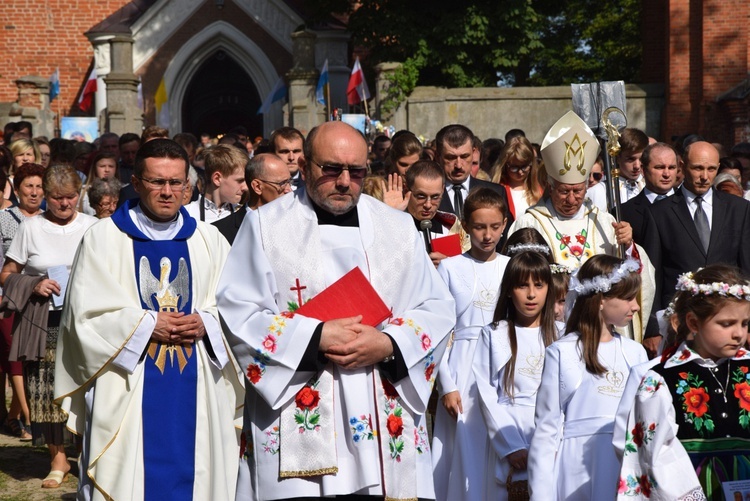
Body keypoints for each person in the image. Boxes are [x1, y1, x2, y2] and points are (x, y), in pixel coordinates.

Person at [217, 121, 455, 501]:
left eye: (356, 171)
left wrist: (389, 343)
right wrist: (315, 338)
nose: (344, 181)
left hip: (380, 402)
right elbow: (237, 309)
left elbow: (438, 308)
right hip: (300, 401)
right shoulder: (265, 225)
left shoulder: (397, 228)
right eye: (331, 169)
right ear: (306, 166)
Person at [54, 139, 244, 500]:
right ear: (137, 182)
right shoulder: (103, 239)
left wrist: (207, 322)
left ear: (188, 185)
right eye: (157, 182)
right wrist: (144, 325)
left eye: (176, 183)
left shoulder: (210, 240)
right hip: (128, 383)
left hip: (200, 379)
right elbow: (84, 315)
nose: (168, 192)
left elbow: (236, 305)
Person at [509, 111, 656, 342]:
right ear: (550, 185)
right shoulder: (530, 223)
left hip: (600, 327)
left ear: (587, 185)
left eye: (577, 191)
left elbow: (636, 272)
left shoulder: (605, 221)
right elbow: (516, 276)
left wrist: (627, 246)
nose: (571, 199)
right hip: (550, 327)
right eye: (563, 191)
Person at [617, 265, 750, 500]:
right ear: (694, 323)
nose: (738, 334)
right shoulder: (661, 378)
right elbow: (654, 453)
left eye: (745, 323)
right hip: (693, 485)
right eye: (727, 324)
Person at [0, 165, 97, 488]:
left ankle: (86, 452)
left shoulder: (94, 226)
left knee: (87, 385)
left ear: (79, 195)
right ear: (45, 197)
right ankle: (58, 459)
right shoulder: (31, 227)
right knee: (46, 388)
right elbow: (7, 272)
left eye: (70, 197)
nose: (64, 204)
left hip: (89, 320)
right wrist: (34, 284)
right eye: (57, 198)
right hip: (47, 321)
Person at [528, 254, 648, 500]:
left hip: (627, 465)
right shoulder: (562, 352)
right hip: (577, 468)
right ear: (601, 300)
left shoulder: (635, 352)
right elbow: (546, 429)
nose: (636, 306)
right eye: (627, 298)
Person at [432, 189, 510, 500]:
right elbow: (439, 330)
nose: (487, 235)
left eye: (494, 227)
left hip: (502, 362)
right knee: (463, 444)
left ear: (504, 225)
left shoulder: (510, 266)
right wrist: (446, 385)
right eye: (479, 227)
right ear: (465, 226)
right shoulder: (449, 267)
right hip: (462, 365)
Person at [464, 251, 561, 501]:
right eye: (522, 285)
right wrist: (511, 446)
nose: (531, 294)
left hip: (553, 438)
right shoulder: (495, 334)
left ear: (549, 289)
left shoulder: (562, 335)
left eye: (539, 285)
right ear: (508, 290)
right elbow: (485, 392)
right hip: (508, 433)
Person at [642, 141, 750, 312]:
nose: (705, 177)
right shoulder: (658, 213)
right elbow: (652, 275)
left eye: (712, 169)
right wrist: (653, 327)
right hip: (678, 314)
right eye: (698, 168)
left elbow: (746, 268)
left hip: (727, 312)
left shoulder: (739, 209)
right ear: (682, 167)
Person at [435, 124, 512, 243]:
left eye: (465, 156)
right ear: (438, 157)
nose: (459, 165)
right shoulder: (427, 196)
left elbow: (505, 240)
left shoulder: (496, 192)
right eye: (451, 158)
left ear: (474, 152)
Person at [214, 153, 291, 244]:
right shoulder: (220, 233)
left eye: (289, 182)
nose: (289, 190)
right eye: (282, 184)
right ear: (257, 187)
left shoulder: (298, 224)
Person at [619, 142, 678, 245]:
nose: (667, 174)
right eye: (659, 167)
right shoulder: (623, 212)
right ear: (643, 169)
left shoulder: (690, 204)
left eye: (672, 167)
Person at [185, 144, 248, 223]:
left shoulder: (245, 215)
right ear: (217, 179)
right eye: (240, 181)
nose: (245, 187)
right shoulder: (188, 215)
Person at [490, 136, 544, 219]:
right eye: (514, 167)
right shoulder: (497, 190)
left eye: (524, 166)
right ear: (504, 165)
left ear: (531, 164)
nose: (520, 172)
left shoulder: (541, 189)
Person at [617, 128, 649, 203]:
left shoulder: (651, 186)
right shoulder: (601, 190)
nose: (637, 166)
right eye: (630, 159)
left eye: (641, 159)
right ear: (618, 158)